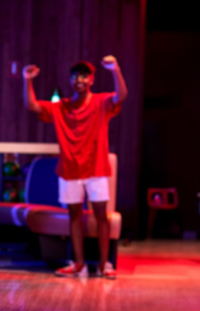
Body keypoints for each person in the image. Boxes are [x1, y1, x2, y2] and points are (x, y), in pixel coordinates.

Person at [22, 56, 128, 279]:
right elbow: (32, 105)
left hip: (96, 167)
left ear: (91, 80)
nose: (79, 80)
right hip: (70, 169)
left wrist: (115, 69)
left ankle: (104, 264)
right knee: (74, 217)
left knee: (102, 216)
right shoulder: (62, 106)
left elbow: (122, 96)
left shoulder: (101, 102)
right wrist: (27, 79)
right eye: (75, 76)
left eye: (83, 76)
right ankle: (78, 263)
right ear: (71, 81)